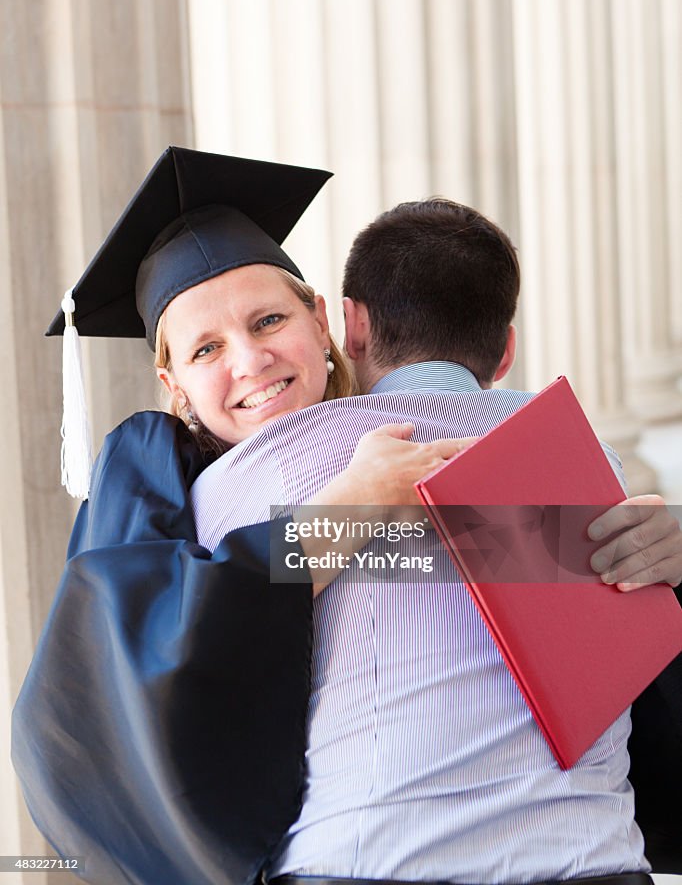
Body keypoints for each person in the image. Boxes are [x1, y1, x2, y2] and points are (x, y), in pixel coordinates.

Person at [11, 154, 681, 884]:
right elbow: (135, 658)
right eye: (207, 349)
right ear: (171, 386)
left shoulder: (422, 442)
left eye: (269, 319)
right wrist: (352, 506)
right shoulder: (165, 483)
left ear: (329, 321)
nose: (252, 360)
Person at [189, 198, 682, 883]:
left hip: (365, 862)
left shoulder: (247, 476)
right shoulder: (594, 460)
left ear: (351, 324)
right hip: (590, 860)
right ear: (506, 349)